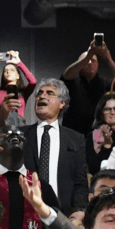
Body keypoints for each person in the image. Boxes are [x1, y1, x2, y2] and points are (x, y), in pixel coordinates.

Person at [25, 79, 90, 215]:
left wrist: (79, 211)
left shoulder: (75, 138)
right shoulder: (21, 135)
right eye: (40, 93)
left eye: (49, 93)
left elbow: (80, 181)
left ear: (62, 103)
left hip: (62, 214)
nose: (42, 96)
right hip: (26, 212)